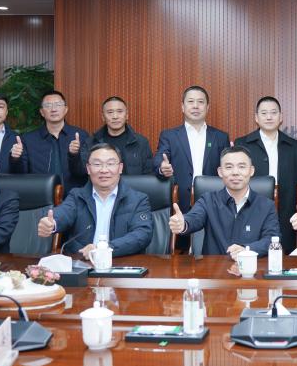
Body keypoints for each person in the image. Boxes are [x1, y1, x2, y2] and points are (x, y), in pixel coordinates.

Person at [37, 143, 153, 259]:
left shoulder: (138, 200)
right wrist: (52, 223)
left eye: (110, 164)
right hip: (82, 262)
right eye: (97, 164)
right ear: (88, 169)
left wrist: (104, 249)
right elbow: (64, 213)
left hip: (121, 263)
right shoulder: (77, 196)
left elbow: (142, 234)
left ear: (120, 168)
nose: (104, 170)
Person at [168, 145, 281, 258]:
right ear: (220, 172)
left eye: (241, 167)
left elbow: (272, 240)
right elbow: (194, 218)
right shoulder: (208, 200)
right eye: (229, 167)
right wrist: (183, 224)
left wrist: (246, 250)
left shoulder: (266, 206)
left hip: (251, 266)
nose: (235, 172)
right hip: (214, 267)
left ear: (251, 171)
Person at [235, 96, 297, 253]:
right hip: (251, 209)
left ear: (281, 117)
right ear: (256, 118)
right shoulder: (242, 144)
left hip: (286, 211)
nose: (269, 117)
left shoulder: (294, 147)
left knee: (285, 255)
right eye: (264, 113)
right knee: (251, 254)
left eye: (273, 113)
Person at [153, 85, 230, 216]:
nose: (195, 106)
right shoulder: (169, 136)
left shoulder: (221, 137)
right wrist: (162, 167)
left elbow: (227, 168)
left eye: (200, 102)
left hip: (214, 204)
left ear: (207, 107)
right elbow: (160, 158)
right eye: (190, 101)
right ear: (182, 107)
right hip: (180, 204)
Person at [21, 90, 89, 192]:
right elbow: (22, 174)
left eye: (58, 105)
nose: (53, 109)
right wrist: (15, 159)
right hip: (40, 196)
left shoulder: (81, 136)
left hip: (74, 197)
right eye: (48, 105)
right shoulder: (28, 139)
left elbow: (85, 171)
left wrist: (74, 155)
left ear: (65, 109)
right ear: (42, 112)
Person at [91, 96, 154, 175]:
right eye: (110, 112)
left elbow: (149, 175)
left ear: (127, 115)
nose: (115, 116)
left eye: (120, 111)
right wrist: (76, 155)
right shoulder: (92, 142)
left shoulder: (141, 142)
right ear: (103, 117)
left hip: (132, 183)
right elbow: (82, 173)